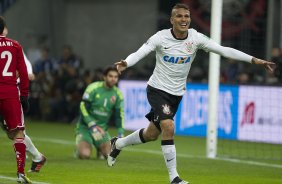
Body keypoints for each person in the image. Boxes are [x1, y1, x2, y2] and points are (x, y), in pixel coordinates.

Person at [107, 3, 275, 184]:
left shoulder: (196, 38)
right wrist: (127, 62)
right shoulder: (160, 37)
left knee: (151, 134)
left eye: (186, 16)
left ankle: (118, 143)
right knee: (169, 127)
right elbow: (140, 52)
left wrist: (254, 60)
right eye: (179, 16)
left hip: (176, 94)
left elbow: (224, 50)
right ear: (172, 20)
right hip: (157, 89)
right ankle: (174, 178)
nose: (184, 20)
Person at [0, 25, 47, 173]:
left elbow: (27, 72)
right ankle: (37, 156)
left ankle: (35, 157)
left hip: (10, 90)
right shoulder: (14, 45)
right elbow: (27, 71)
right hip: (11, 91)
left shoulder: (13, 46)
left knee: (15, 132)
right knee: (13, 133)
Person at [0, 16, 31, 183]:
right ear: (3, 28)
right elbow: (23, 72)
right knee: (18, 132)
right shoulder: (15, 45)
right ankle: (20, 173)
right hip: (10, 93)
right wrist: (24, 95)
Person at [75, 65, 124, 159]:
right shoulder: (93, 88)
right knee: (85, 155)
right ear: (104, 77)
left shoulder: (118, 94)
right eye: (110, 76)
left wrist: (120, 133)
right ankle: (78, 149)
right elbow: (82, 107)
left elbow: (119, 115)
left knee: (110, 155)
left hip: (102, 130)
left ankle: (100, 149)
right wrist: (91, 124)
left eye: (115, 77)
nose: (113, 79)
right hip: (85, 128)